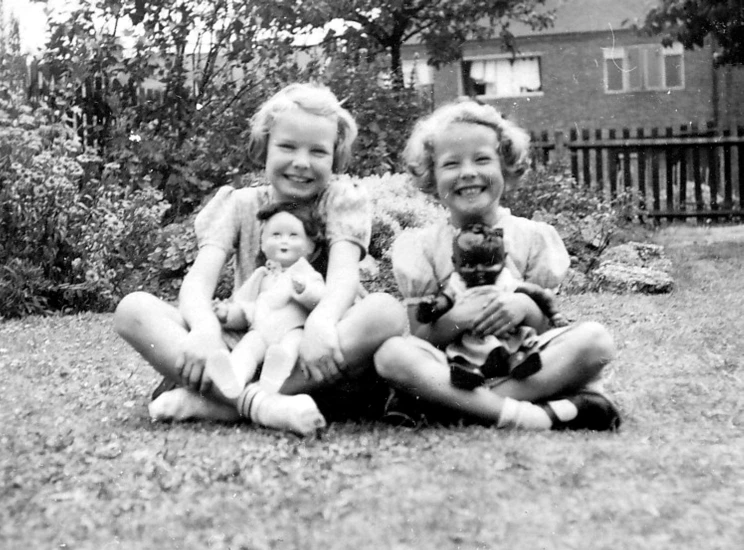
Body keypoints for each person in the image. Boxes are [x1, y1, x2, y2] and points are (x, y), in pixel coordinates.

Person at [114, 82, 406, 436]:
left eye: (318, 151)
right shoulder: (240, 204)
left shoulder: (341, 201)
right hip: (244, 344)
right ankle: (264, 405)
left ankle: (219, 403)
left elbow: (344, 278)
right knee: (134, 309)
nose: (301, 162)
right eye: (287, 146)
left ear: (335, 156)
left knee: (385, 311)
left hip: (314, 354)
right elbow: (198, 282)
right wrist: (206, 330)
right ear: (264, 148)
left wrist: (321, 322)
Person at [374, 99, 622, 431]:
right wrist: (456, 319)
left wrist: (523, 308)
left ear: (505, 166)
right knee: (391, 354)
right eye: (451, 164)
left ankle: (456, 408)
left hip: (525, 362)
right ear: (431, 175)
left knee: (596, 341)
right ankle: (532, 414)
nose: (468, 172)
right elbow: (421, 332)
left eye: (482, 159)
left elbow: (546, 327)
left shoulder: (533, 237)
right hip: (454, 367)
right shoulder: (422, 245)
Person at [207, 201, 327, 402]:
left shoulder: (306, 274)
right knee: (247, 349)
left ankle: (274, 380)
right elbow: (248, 309)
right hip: (261, 331)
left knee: (290, 347)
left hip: (294, 330)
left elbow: (321, 298)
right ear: (263, 244)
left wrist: (304, 289)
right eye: (276, 235)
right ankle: (233, 378)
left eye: (293, 235)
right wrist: (227, 314)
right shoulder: (261, 277)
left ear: (310, 246)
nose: (284, 241)